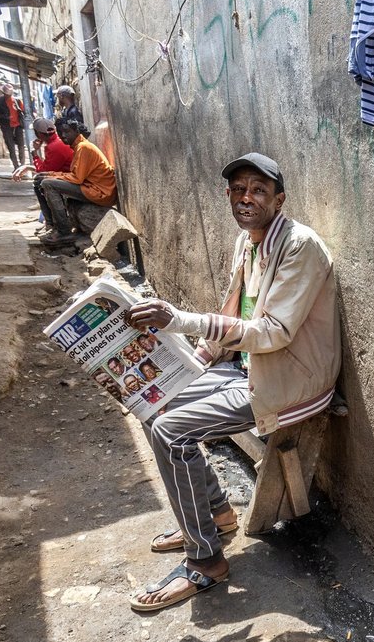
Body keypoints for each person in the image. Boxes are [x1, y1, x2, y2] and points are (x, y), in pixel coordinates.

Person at [125, 152, 342, 612]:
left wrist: (180, 320)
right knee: (153, 401)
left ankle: (205, 562)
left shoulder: (300, 246)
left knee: (170, 431)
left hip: (290, 379)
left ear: (278, 200)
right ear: (229, 196)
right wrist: (194, 363)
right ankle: (217, 516)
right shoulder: (248, 243)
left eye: (259, 190)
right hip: (248, 368)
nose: (247, 198)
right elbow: (232, 313)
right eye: (239, 190)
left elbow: (274, 332)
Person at [36, 116, 117, 247]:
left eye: (67, 132)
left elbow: (77, 178)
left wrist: (51, 177)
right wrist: (51, 174)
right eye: (60, 133)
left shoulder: (83, 147)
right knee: (43, 181)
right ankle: (53, 225)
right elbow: (75, 175)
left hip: (101, 192)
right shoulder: (79, 147)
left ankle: (64, 232)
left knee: (48, 184)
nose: (63, 136)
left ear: (76, 131)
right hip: (93, 188)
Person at [0, 82, 28, 170]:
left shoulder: (17, 101)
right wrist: (4, 116)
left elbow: (23, 112)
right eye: (6, 94)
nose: (8, 95)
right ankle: (16, 166)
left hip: (18, 126)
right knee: (11, 146)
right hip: (6, 126)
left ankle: (22, 165)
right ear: (3, 93)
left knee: (21, 145)